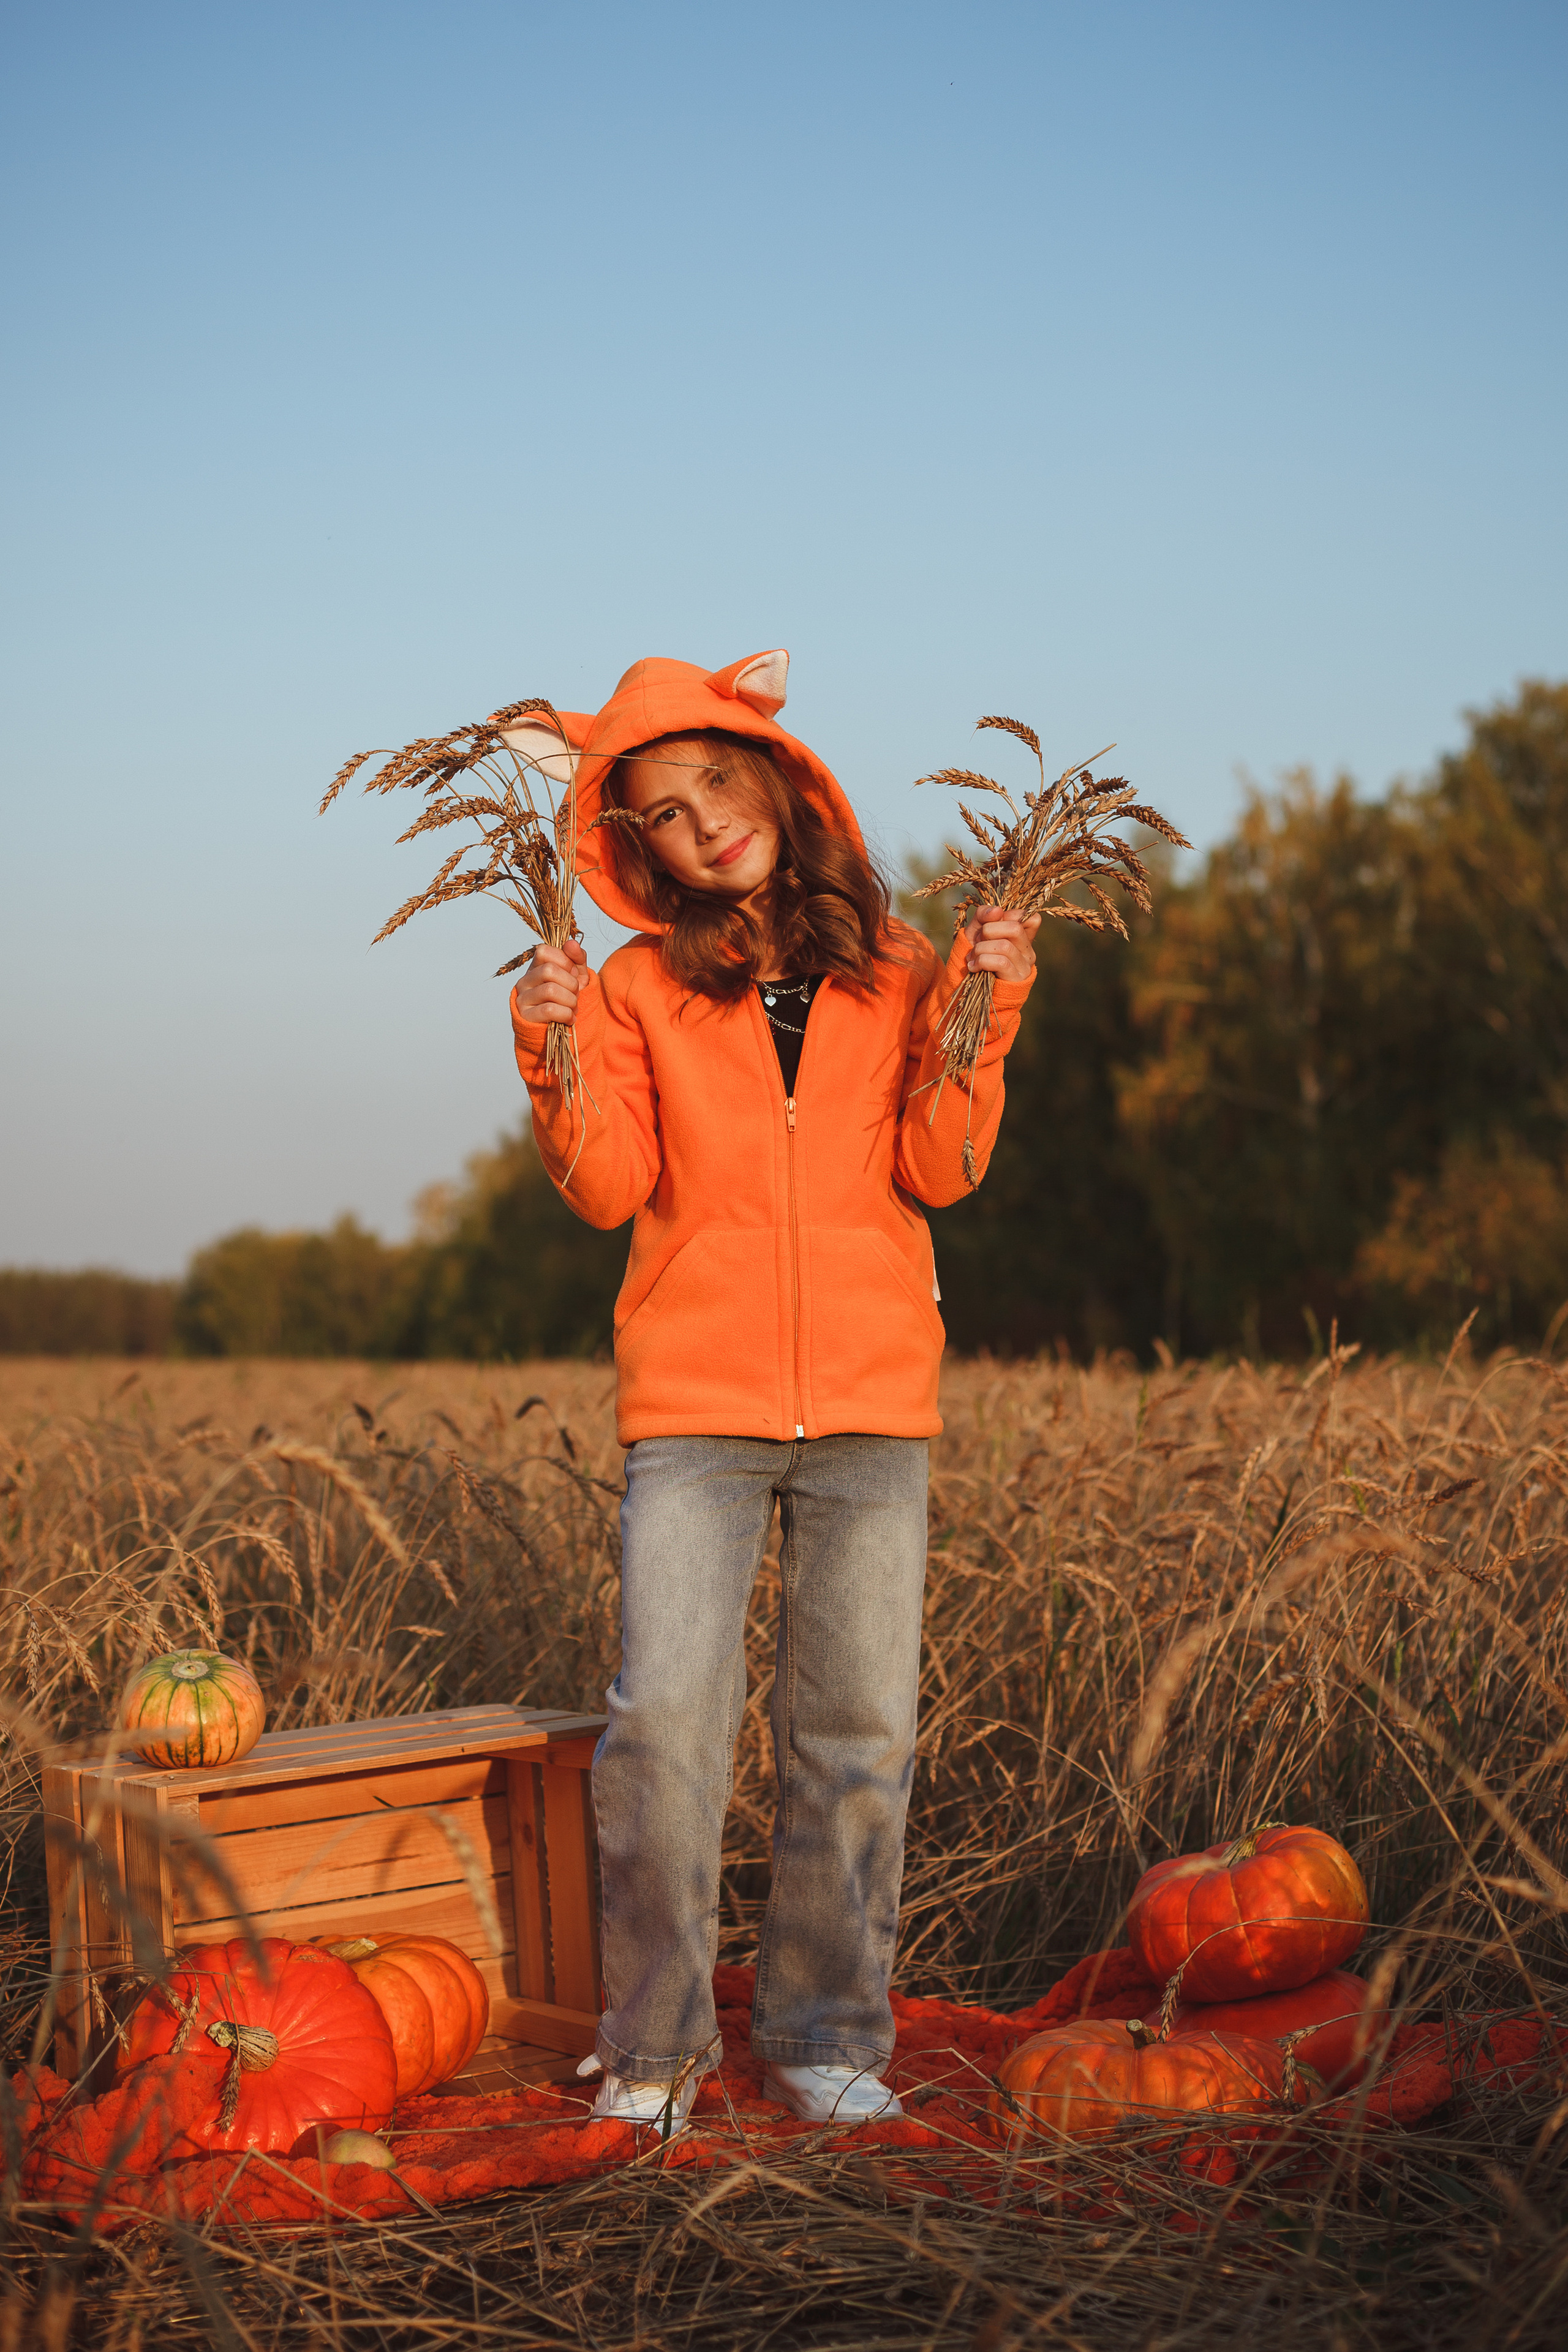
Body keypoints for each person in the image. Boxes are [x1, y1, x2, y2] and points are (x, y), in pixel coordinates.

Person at [506, 649, 1037, 2135]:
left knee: (854, 1734)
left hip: (872, 1410)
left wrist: (982, 1016)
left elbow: (940, 1167)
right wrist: (551, 1054)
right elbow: (609, 1189)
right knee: (664, 1727)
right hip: (695, 1411)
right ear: (635, 851)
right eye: (659, 815)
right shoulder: (628, 988)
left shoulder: (899, 963)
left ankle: (823, 2038)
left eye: (713, 786)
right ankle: (658, 2051)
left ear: (778, 783)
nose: (698, 827)